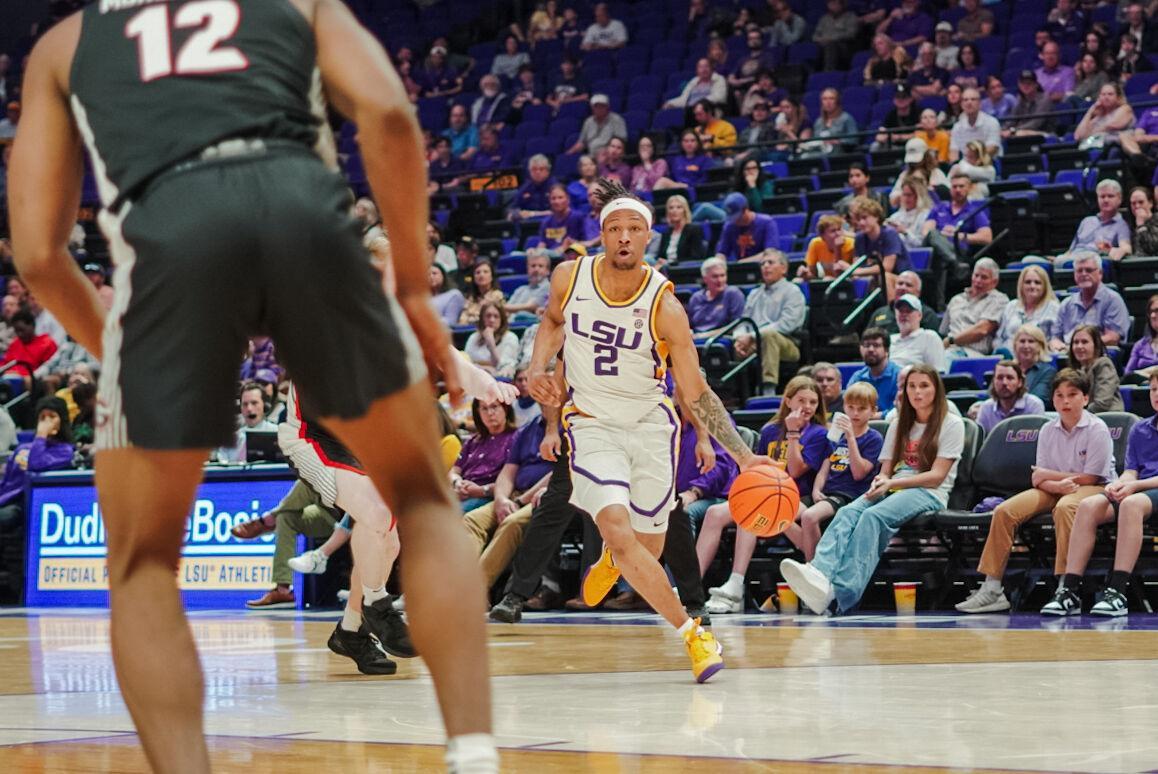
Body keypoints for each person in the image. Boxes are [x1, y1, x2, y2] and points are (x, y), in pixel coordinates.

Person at [9, 4, 501, 771]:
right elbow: (390, 115)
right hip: (301, 205)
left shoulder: (65, 45)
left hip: (169, 232)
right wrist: (408, 287)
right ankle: (474, 752)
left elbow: (38, 253)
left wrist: (118, 350)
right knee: (424, 499)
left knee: (142, 567)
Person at [526, 179, 777, 682]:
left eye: (633, 229)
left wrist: (745, 458)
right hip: (593, 426)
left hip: (649, 427)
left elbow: (697, 390)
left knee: (648, 548)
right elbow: (553, 321)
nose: (623, 237)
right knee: (618, 532)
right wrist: (537, 367)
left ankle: (615, 565)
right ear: (601, 235)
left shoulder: (665, 305)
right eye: (614, 228)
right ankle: (694, 633)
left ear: (648, 237)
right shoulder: (567, 278)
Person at [782, 365, 965, 615]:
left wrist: (891, 483)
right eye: (912, 386)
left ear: (937, 389)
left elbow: (936, 477)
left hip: (927, 492)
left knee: (872, 517)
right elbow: (886, 470)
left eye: (924, 386)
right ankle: (818, 573)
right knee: (848, 512)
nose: (917, 392)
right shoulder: (899, 423)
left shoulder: (952, 423)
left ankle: (839, 594)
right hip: (894, 486)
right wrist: (880, 482)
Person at [958, 366, 1112, 616]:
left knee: (1065, 507)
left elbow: (1090, 476)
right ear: (1053, 399)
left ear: (1085, 398)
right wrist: (1053, 483)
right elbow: (1037, 478)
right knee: (1005, 510)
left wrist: (1050, 478)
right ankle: (992, 587)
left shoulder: (1098, 429)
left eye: (1072, 394)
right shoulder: (1047, 429)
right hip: (1055, 488)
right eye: (1059, 395)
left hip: (1092, 488)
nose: (1065, 401)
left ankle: (1066, 589)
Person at [697, 376, 829, 614]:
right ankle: (691, 586)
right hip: (768, 494)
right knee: (714, 513)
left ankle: (736, 583)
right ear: (788, 401)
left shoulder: (819, 434)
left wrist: (792, 433)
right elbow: (754, 469)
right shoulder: (769, 430)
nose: (807, 407)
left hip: (799, 498)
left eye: (813, 402)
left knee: (754, 509)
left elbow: (797, 470)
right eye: (801, 400)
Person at [1059, 372, 1158, 617]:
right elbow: (1132, 471)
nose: (1157, 395)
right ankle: (1069, 590)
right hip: (1142, 488)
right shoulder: (1140, 429)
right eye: (1154, 390)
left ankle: (1117, 592)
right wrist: (1120, 483)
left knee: (1131, 504)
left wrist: (1134, 486)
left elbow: (1137, 485)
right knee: (1089, 505)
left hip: (1144, 493)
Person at [782, 383, 884, 561]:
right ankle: (815, 559)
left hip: (848, 494)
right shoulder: (837, 435)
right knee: (779, 515)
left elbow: (858, 473)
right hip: (826, 492)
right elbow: (824, 468)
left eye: (862, 408)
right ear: (844, 407)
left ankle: (814, 568)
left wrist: (851, 438)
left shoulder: (874, 438)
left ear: (873, 411)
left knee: (809, 516)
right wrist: (816, 490)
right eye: (850, 407)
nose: (855, 413)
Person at [460, 415, 553, 591]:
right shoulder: (528, 428)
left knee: (512, 523)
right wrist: (501, 499)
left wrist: (519, 501)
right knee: (471, 520)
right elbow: (508, 471)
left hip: (544, 496)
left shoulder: (570, 424)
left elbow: (561, 472)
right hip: (514, 494)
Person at [732, 250, 806, 392]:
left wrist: (752, 336)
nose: (765, 266)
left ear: (783, 268)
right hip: (755, 342)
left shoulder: (793, 292)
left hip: (787, 343)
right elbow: (743, 322)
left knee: (768, 335)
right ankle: (737, 393)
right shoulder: (754, 294)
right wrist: (740, 337)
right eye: (762, 264)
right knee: (735, 344)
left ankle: (768, 389)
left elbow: (787, 325)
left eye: (770, 263)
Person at [0, 396, 75, 530]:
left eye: (52, 417)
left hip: (25, 504)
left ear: (61, 421)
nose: (46, 422)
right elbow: (6, 482)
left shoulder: (64, 451)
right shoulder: (23, 448)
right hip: (5, 499)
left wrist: (41, 436)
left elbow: (35, 466)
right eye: (42, 417)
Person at [921, 173, 993, 306]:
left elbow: (987, 237)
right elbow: (926, 232)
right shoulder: (939, 208)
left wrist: (959, 236)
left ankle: (940, 306)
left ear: (969, 188)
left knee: (940, 259)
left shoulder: (973, 211)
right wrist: (942, 235)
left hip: (958, 250)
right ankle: (954, 263)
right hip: (940, 249)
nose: (958, 190)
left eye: (961, 186)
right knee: (933, 236)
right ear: (950, 189)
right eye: (954, 186)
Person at [1050, 252, 1131, 350]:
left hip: (1101, 355)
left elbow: (1112, 338)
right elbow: (1054, 337)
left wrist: (1079, 346)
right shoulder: (1066, 304)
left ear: (1100, 273)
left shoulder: (1113, 300)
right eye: (1079, 271)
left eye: (1089, 270)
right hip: (1068, 355)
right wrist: (1058, 345)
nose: (1084, 274)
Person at [941, 259, 1009, 359]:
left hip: (973, 354)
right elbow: (943, 331)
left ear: (994, 282)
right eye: (976, 275)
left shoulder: (999, 300)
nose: (978, 280)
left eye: (984, 277)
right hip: (949, 350)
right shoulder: (956, 299)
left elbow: (982, 330)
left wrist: (951, 341)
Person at [850, 196, 910, 301]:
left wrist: (857, 272)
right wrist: (856, 273)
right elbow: (857, 266)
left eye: (865, 218)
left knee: (884, 277)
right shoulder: (859, 238)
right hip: (875, 279)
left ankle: (890, 313)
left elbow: (886, 268)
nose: (861, 223)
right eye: (858, 219)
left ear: (876, 217)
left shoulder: (890, 234)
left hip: (902, 279)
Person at [993, 265, 1060, 355]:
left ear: (1045, 286)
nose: (1032, 286)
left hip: (1037, 358)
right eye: (1028, 282)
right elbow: (999, 338)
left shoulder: (1054, 308)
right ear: (1021, 285)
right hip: (1008, 357)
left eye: (1037, 283)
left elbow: (1055, 340)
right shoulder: (1011, 305)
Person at [970, 360, 1046, 434]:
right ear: (993, 382)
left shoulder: (1034, 405)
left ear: (1020, 382)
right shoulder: (986, 408)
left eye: (1010, 378)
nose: (1004, 383)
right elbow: (980, 443)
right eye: (1000, 378)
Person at [1068, 323, 1125, 412]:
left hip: (1110, 419)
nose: (1079, 346)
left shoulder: (1104, 364)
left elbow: (1102, 404)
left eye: (1084, 342)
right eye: (1076, 342)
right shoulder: (1078, 371)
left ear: (1096, 345)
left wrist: (1078, 415)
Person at [216, 381, 277, 463]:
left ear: (265, 405)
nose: (249, 409)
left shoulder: (278, 434)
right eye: (245, 404)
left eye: (254, 403)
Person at [848, 327, 902, 415]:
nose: (870, 349)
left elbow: (900, 411)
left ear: (887, 350)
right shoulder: (857, 378)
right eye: (866, 345)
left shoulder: (899, 376)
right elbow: (848, 407)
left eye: (876, 345)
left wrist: (874, 416)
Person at [686, 257, 745, 336]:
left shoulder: (733, 293)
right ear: (705, 279)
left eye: (722, 275)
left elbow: (736, 326)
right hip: (696, 340)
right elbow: (690, 326)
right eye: (715, 276)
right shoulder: (696, 298)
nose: (720, 280)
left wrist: (706, 335)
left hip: (720, 340)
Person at [867, 271, 941, 334]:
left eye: (908, 285)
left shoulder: (928, 315)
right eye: (900, 283)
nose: (903, 288)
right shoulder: (879, 312)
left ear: (918, 292)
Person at [716, 193, 780, 262]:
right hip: (740, 269)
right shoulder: (729, 226)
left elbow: (771, 253)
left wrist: (743, 262)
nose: (735, 221)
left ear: (745, 210)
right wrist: (719, 262)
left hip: (763, 266)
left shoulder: (767, 222)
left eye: (738, 217)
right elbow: (722, 253)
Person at [463, 301, 519, 378]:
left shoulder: (511, 338)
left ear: (502, 319)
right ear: (482, 318)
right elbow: (466, 364)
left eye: (496, 316)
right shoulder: (473, 337)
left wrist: (491, 344)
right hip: (475, 378)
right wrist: (484, 369)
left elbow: (503, 368)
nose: (492, 320)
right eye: (488, 316)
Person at [891, 294, 946, 371]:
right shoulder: (890, 339)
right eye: (901, 311)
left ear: (919, 315)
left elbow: (938, 373)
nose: (904, 314)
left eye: (908, 311)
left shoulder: (929, 337)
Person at [566, 94, 627, 160]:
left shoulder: (617, 120)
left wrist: (607, 152)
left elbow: (621, 141)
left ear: (607, 107)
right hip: (591, 156)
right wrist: (568, 153)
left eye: (602, 106)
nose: (599, 109)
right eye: (596, 106)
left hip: (610, 156)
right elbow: (582, 143)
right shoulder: (588, 122)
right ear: (592, 108)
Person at [889, 139, 948, 207]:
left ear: (926, 156)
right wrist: (907, 192)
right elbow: (893, 202)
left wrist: (927, 187)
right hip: (908, 213)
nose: (914, 163)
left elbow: (947, 195)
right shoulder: (904, 175)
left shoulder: (936, 173)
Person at [949, 87, 1001, 161]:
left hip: (988, 163)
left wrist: (973, 162)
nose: (969, 102)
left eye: (973, 99)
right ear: (961, 104)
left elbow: (992, 148)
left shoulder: (992, 122)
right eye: (965, 100)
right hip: (965, 165)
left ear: (980, 103)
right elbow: (953, 152)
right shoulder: (957, 127)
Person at [653, 195, 705, 268]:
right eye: (671, 208)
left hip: (683, 269)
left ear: (685, 210)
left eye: (679, 207)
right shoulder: (666, 232)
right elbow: (661, 256)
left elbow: (696, 257)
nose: (674, 210)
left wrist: (672, 263)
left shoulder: (694, 230)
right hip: (666, 269)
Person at [799, 213, 854, 280]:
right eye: (833, 231)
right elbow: (812, 273)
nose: (838, 234)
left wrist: (837, 249)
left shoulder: (851, 244)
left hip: (847, 279)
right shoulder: (816, 243)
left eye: (839, 229)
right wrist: (805, 274)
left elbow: (839, 274)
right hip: (826, 279)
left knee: (827, 279)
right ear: (822, 235)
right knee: (798, 280)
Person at [886, 173, 934, 250]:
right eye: (904, 195)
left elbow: (922, 244)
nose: (906, 198)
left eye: (910, 195)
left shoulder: (926, 216)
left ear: (918, 196)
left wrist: (905, 232)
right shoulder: (895, 217)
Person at [1013, 324, 1058, 404]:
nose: (1026, 346)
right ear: (1015, 345)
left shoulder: (1048, 372)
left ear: (1040, 346)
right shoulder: (1007, 369)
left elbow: (1038, 399)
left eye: (1031, 341)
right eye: (1022, 341)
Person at [505, 249, 551, 322]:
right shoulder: (520, 289)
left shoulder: (549, 287)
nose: (536, 269)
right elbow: (506, 311)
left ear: (547, 271)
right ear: (528, 269)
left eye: (540, 266)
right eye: (533, 266)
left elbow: (530, 306)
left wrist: (501, 306)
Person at [1005, 69, 1056, 137]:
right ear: (1019, 85)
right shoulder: (1020, 98)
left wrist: (1013, 130)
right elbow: (1012, 119)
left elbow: (1036, 123)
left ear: (1036, 84)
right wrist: (1003, 130)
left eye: (1029, 83)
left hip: (1045, 134)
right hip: (1023, 132)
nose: (1026, 86)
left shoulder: (1044, 99)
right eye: (1023, 83)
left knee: (1018, 134)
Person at [537, 185, 585, 251]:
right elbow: (542, 243)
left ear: (568, 199)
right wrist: (536, 252)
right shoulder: (546, 222)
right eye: (553, 198)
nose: (557, 201)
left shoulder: (576, 217)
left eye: (560, 197)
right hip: (549, 256)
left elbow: (570, 243)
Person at [814, 0, 859, 71]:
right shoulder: (824, 19)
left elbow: (851, 34)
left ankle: (828, 73)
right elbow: (815, 36)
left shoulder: (851, 17)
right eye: (830, 3)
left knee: (831, 46)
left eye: (835, 3)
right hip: (823, 46)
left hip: (843, 47)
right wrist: (820, 40)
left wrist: (831, 39)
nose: (832, 6)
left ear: (841, 4)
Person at [811, 88, 858, 154]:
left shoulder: (846, 118)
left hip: (840, 153)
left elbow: (853, 140)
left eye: (831, 98)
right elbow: (815, 141)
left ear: (837, 101)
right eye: (824, 99)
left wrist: (837, 142)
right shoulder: (818, 121)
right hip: (820, 152)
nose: (828, 102)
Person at [458, 260, 505, 326]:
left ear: (492, 277)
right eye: (477, 272)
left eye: (485, 272)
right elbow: (462, 321)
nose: (481, 275)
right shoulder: (470, 298)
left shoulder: (497, 295)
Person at [1125, 294, 1158, 377]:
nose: (1153, 315)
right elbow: (1128, 374)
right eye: (1150, 312)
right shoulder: (1140, 345)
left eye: (1157, 311)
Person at [1129, 187, 1158, 256]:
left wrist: (1141, 226)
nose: (1137, 206)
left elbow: (1152, 248)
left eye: (1141, 202)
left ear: (1150, 203)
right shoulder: (1130, 223)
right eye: (1133, 203)